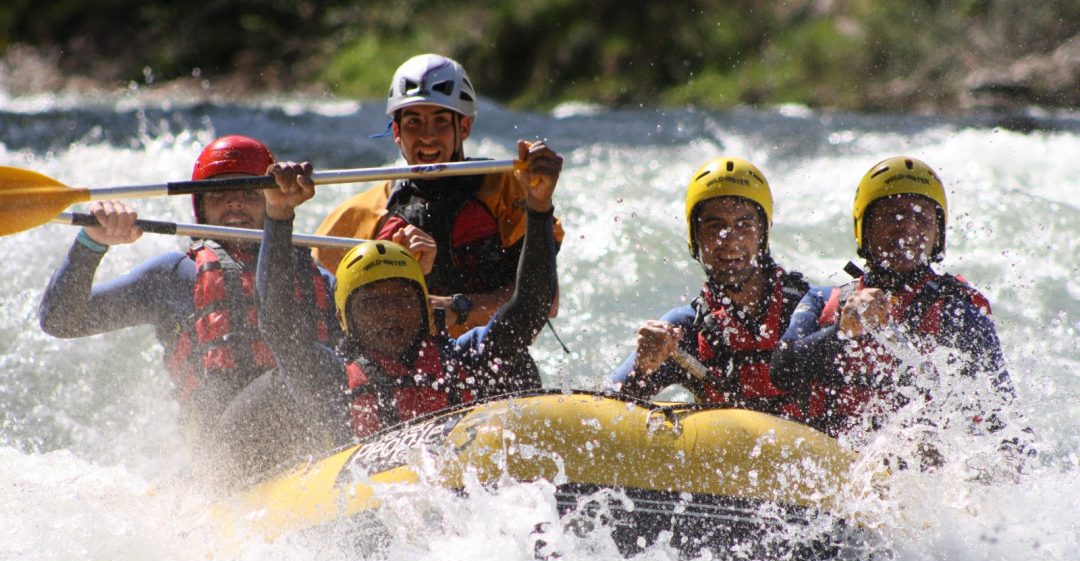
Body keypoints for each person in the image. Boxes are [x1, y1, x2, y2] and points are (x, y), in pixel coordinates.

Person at [38, 135, 338, 482]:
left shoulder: (319, 278)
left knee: (328, 367)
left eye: (250, 192)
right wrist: (92, 243)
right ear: (202, 207)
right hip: (222, 456)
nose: (236, 204)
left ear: (274, 199)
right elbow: (59, 321)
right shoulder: (173, 277)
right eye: (221, 194)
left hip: (309, 444)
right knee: (300, 374)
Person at [258, 140, 560, 446]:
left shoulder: (462, 360)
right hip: (365, 487)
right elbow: (278, 326)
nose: (390, 311)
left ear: (424, 305)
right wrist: (279, 215)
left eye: (403, 298)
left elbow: (530, 310)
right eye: (372, 302)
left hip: (452, 486)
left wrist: (538, 206)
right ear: (343, 316)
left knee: (518, 360)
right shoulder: (330, 378)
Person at [311, 53, 564, 334]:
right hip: (408, 362)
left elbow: (547, 302)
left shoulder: (508, 188)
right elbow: (325, 310)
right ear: (396, 131)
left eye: (441, 121)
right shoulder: (362, 213)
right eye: (413, 123)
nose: (427, 136)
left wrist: (460, 309)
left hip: (488, 351)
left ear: (464, 127)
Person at [770, 156, 1017, 443]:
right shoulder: (824, 300)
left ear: (937, 235)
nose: (908, 228)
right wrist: (841, 333)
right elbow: (781, 372)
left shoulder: (959, 313)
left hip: (918, 471)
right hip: (834, 462)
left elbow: (1003, 419)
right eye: (893, 215)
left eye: (922, 217)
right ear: (864, 228)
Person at [605, 157, 809, 418]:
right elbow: (610, 408)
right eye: (715, 226)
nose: (730, 239)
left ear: (762, 235)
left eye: (744, 225)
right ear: (696, 237)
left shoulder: (810, 312)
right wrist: (642, 369)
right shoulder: (685, 331)